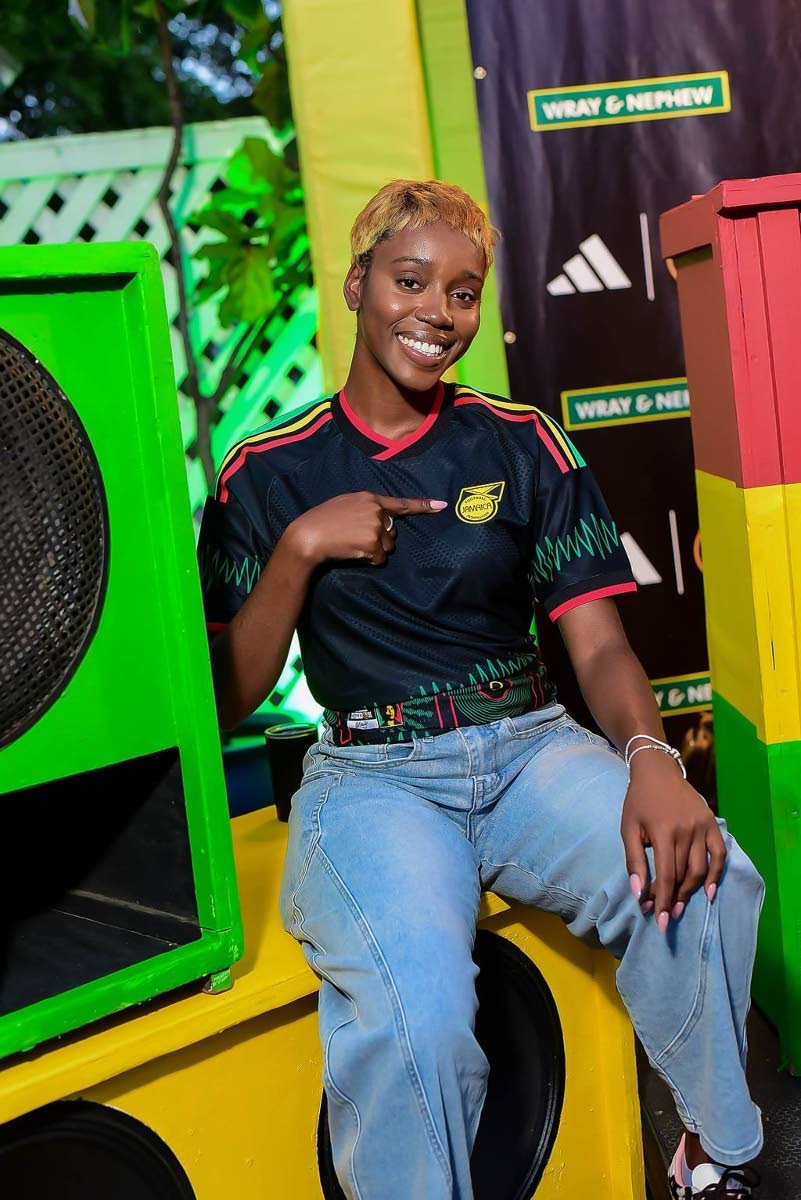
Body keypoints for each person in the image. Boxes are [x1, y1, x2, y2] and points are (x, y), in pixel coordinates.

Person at [198, 179, 763, 1200]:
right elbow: (225, 699)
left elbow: (597, 649)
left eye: (463, 293)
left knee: (709, 874)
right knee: (417, 1024)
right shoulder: (268, 472)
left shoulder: (521, 441)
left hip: (529, 747)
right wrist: (300, 550)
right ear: (358, 283)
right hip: (376, 777)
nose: (437, 313)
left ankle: (713, 1156)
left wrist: (651, 758)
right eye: (411, 281)